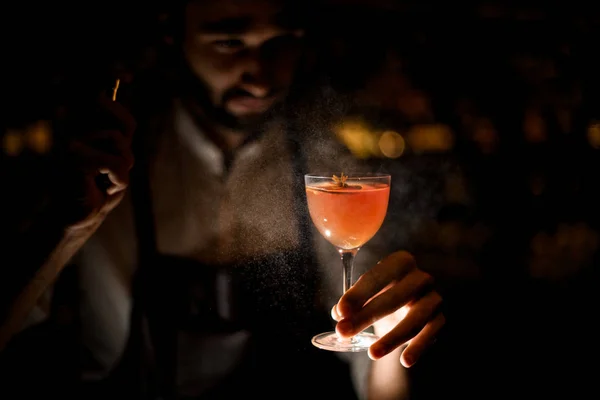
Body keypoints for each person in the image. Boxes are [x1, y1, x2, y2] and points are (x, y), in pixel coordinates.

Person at [0, 0, 445, 398]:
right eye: (229, 42)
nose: (261, 74)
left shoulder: (324, 163)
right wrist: (62, 230)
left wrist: (391, 338)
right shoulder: (115, 161)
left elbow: (375, 372)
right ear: (175, 37)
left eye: (282, 40)